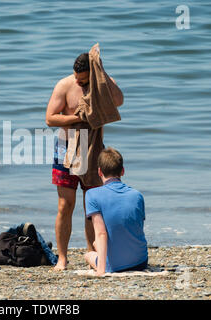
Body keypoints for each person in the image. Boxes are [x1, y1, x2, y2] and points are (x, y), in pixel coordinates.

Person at [45, 52, 124, 270]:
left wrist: (103, 74)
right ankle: (62, 257)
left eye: (83, 79)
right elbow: (50, 118)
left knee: (92, 206)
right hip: (66, 147)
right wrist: (80, 118)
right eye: (76, 77)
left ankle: (92, 254)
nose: (78, 81)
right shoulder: (64, 85)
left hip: (93, 147)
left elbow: (119, 101)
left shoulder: (103, 84)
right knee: (65, 205)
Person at [84, 147, 148, 276]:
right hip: (140, 261)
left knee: (88, 254)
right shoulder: (137, 195)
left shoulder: (92, 195)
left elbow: (101, 233)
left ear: (99, 172)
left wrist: (101, 270)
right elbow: (136, 227)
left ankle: (102, 261)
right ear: (123, 171)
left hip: (114, 265)